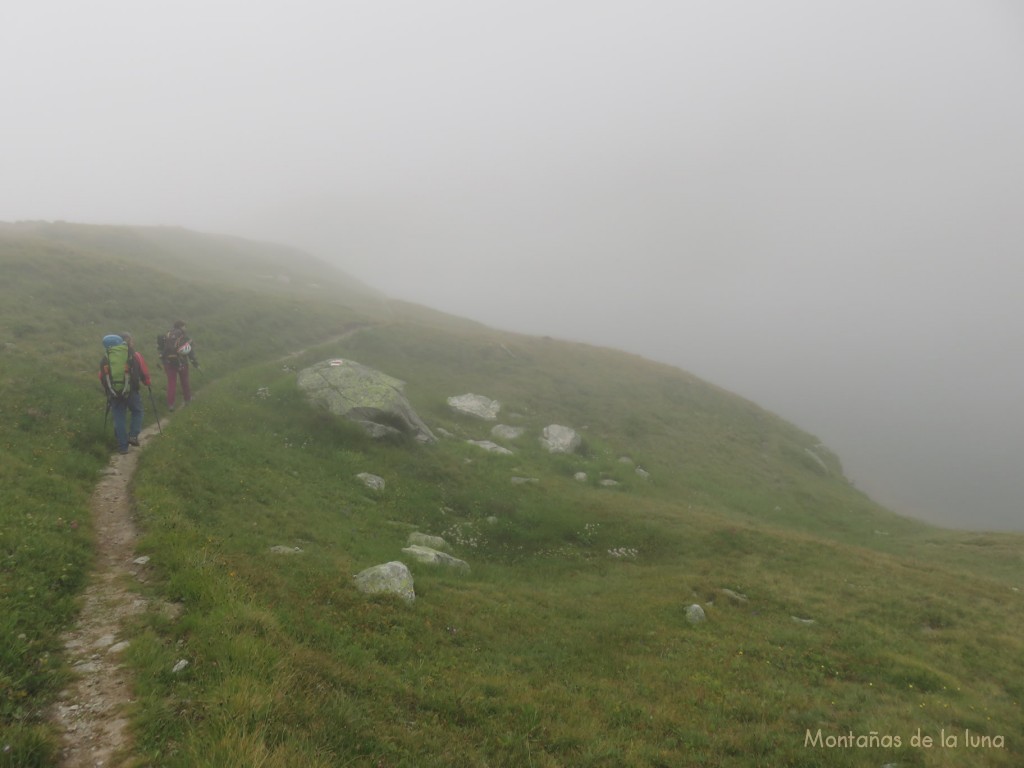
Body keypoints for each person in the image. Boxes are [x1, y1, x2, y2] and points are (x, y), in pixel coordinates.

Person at [99, 332, 151, 453]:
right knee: (137, 411)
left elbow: (101, 376)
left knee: (119, 417)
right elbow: (143, 371)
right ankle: (133, 435)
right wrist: (147, 382)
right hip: (131, 390)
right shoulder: (134, 355)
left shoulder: (106, 358)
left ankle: (122, 447)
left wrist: (109, 389)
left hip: (114, 392)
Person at [159, 320, 200, 411]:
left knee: (171, 383)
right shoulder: (184, 336)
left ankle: (170, 405)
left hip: (169, 362)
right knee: (184, 381)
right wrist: (195, 363)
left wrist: (163, 359)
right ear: (181, 326)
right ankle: (187, 400)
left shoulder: (168, 334)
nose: (185, 328)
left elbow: (163, 349)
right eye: (185, 326)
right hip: (182, 362)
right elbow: (190, 351)